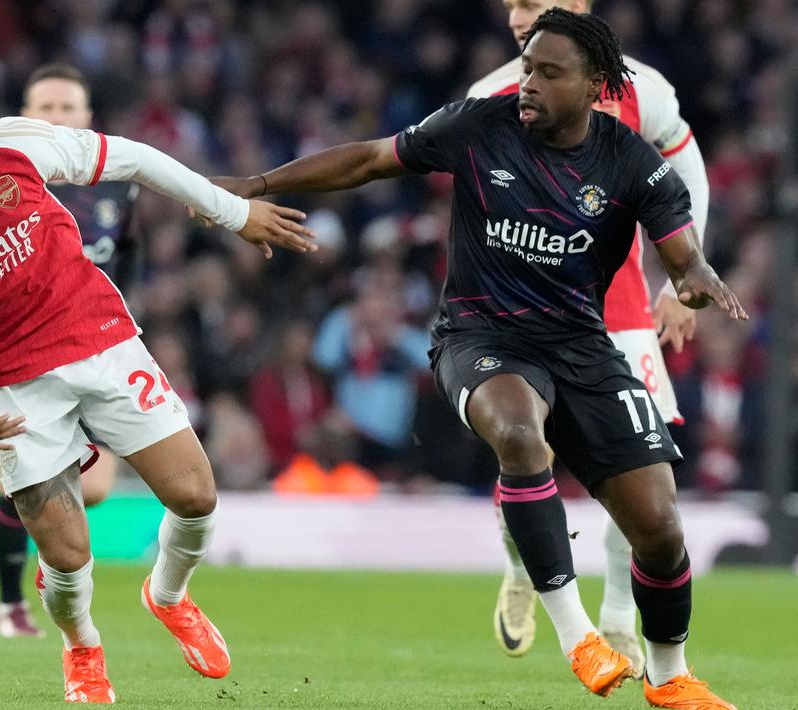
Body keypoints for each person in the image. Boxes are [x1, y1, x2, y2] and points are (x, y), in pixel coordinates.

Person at [209, 10, 741, 708]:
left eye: (549, 74)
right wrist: (258, 185)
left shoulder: (630, 161)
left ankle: (669, 676)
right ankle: (578, 635)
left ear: (593, 88)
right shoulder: (477, 125)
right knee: (519, 437)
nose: (528, 84)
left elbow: (680, 252)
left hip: (582, 345)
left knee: (659, 527)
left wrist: (694, 278)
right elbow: (370, 158)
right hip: (479, 337)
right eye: (526, 68)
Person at [0, 60, 315, 703]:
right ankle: (83, 650)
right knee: (68, 558)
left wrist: (236, 213)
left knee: (196, 495)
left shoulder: (13, 143)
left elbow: (132, 158)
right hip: (9, 383)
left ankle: (168, 596)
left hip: (99, 338)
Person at [468, 0, 711, 673]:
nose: (521, 13)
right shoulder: (489, 97)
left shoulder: (643, 89)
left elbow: (685, 170)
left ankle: (617, 618)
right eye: (513, 2)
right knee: (523, 448)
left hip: (621, 306)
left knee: (639, 463)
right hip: (529, 311)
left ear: (578, 6)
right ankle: (522, 569)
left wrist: (681, 275)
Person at [0, 62, 142, 639]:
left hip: (96, 346)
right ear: (24, 117)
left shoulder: (118, 184)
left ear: (86, 117)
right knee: (16, 481)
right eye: (45, 109)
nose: (56, 118)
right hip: (17, 351)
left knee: (96, 487)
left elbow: (127, 263)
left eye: (67, 108)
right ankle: (11, 607)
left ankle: (50, 551)